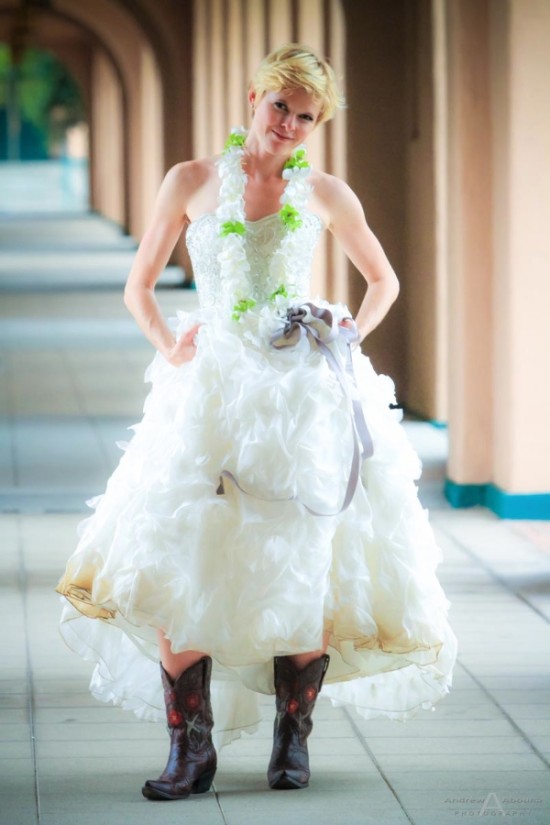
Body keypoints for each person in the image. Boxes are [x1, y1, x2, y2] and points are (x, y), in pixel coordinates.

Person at [57, 44, 457, 801]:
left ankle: (291, 739)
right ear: (253, 97)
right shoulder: (192, 180)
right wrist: (169, 343)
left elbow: (385, 278)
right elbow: (138, 285)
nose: (290, 125)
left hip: (298, 390)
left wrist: (346, 334)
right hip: (210, 385)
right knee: (182, 546)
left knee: (299, 550)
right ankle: (190, 749)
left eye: (307, 118)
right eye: (281, 107)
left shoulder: (326, 192)